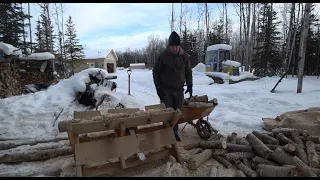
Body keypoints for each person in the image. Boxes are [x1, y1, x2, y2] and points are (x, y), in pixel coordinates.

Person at [152, 31, 193, 142]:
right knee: (168, 113)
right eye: (172, 46)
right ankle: (167, 134)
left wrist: (190, 85)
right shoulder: (163, 56)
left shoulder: (184, 56)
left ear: (179, 46)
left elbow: (188, 72)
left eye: (176, 46)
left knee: (177, 113)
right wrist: (158, 87)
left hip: (179, 89)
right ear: (169, 46)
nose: (174, 48)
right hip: (166, 89)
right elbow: (155, 72)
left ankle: (174, 133)